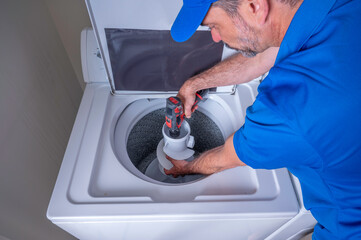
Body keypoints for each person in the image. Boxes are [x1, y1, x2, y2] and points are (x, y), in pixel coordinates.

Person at [164, 0, 361, 239]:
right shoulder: (336, 8)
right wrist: (194, 84)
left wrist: (186, 167)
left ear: (254, 6)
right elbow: (265, 56)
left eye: (213, 25)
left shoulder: (288, 110)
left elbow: (225, 158)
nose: (215, 37)